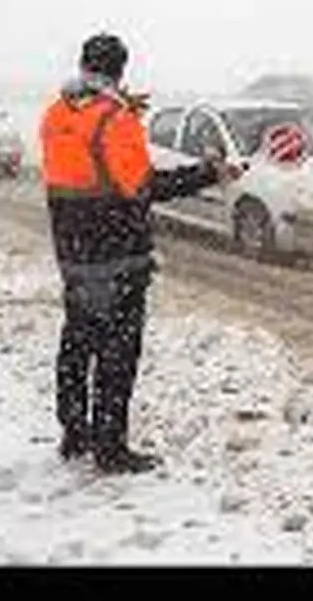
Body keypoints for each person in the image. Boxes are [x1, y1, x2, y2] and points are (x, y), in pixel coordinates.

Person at [40, 32, 244, 474]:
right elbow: (143, 188)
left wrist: (116, 106)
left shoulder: (57, 112)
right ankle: (110, 449)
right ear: (121, 69)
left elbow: (82, 158)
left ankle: (75, 434)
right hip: (116, 253)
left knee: (77, 343)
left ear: (84, 66)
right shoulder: (115, 118)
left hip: (72, 251)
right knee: (117, 354)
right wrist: (209, 172)